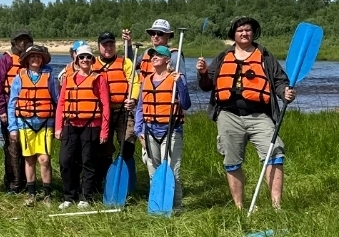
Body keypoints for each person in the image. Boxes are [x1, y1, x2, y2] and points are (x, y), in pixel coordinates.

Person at [197, 17, 295, 210]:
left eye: (248, 30)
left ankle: (277, 206)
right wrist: (202, 73)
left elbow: (279, 81)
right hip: (228, 115)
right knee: (232, 161)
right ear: (234, 34)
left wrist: (285, 92)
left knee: (274, 154)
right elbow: (206, 86)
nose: (244, 33)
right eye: (240, 30)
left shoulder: (265, 55)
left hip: (259, 115)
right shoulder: (223, 56)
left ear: (253, 33)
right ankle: (240, 208)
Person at [135, 45, 192, 208]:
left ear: (167, 60)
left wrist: (179, 84)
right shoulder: (146, 80)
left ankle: (176, 207)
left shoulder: (175, 79)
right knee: (154, 173)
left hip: (171, 130)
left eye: (158, 55)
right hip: (150, 131)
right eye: (153, 55)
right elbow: (140, 107)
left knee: (173, 173)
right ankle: (157, 206)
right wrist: (139, 130)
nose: (154, 57)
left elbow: (186, 104)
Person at [55, 41, 110, 209]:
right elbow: (61, 103)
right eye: (81, 57)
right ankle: (69, 196)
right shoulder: (68, 78)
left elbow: (106, 105)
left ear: (92, 60)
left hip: (92, 125)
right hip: (70, 124)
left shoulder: (99, 78)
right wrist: (58, 127)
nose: (85, 60)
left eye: (88, 57)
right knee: (65, 161)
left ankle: (86, 196)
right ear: (77, 60)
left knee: (88, 161)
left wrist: (104, 131)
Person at [7, 43, 58, 204]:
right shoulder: (19, 78)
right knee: (29, 160)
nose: (35, 59)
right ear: (27, 60)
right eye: (32, 56)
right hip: (25, 123)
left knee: (44, 159)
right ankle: (31, 194)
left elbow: (57, 100)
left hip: (45, 123)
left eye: (38, 56)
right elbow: (12, 104)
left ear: (42, 60)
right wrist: (12, 127)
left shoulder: (49, 77)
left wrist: (58, 125)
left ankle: (47, 194)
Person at [0, 30, 33, 193]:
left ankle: (25, 181)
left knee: (26, 147)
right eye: (19, 40)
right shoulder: (6, 60)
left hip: (27, 112)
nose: (23, 42)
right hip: (10, 112)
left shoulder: (30, 60)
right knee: (12, 147)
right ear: (13, 42)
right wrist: (1, 110)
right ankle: (13, 183)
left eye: (26, 40)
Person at [95, 29, 138, 184]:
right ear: (99, 46)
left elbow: (135, 82)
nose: (108, 48)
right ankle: (104, 181)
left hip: (123, 110)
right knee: (103, 149)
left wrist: (132, 98)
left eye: (111, 44)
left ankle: (126, 182)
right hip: (102, 114)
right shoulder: (91, 64)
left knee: (127, 146)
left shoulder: (125, 62)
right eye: (105, 45)